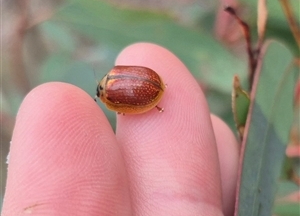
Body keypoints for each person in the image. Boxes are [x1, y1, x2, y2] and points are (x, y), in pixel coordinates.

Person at [2, 43, 239, 216]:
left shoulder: (112, 96)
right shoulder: (113, 76)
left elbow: (126, 107)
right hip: (151, 81)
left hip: (150, 88)